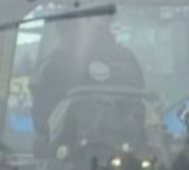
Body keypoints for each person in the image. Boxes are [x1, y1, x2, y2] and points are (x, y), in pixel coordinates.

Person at [30, 15, 145, 155]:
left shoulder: (55, 65)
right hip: (121, 155)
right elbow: (43, 121)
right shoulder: (127, 59)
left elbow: (41, 120)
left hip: (69, 155)